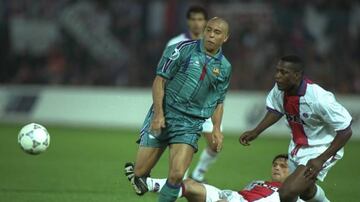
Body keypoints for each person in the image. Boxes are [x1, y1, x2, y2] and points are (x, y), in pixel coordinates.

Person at [125, 17, 231, 202]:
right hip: (165, 112)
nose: (211, 35)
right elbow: (160, 80)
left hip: (190, 123)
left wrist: (216, 128)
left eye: (217, 32)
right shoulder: (183, 48)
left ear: (225, 38)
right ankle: (139, 175)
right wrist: (158, 114)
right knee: (140, 173)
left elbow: (218, 100)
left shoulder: (224, 67)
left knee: (176, 175)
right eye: (209, 30)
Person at [239, 55, 353, 202]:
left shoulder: (319, 98)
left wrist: (321, 159)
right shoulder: (281, 88)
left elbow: (346, 130)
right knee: (305, 192)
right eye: (277, 71)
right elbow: (276, 110)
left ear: (297, 75)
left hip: (320, 149)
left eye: (283, 72)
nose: (277, 76)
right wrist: (256, 131)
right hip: (296, 147)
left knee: (287, 192)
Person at [166, 5, 224, 183]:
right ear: (188, 21)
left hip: (205, 104)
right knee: (179, 146)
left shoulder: (213, 42)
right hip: (181, 106)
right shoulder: (175, 43)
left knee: (215, 145)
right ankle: (180, 182)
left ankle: (198, 174)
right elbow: (166, 74)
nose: (197, 23)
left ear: (205, 22)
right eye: (193, 19)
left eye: (200, 19)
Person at [131, 154, 301, 202]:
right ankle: (148, 184)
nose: (277, 167)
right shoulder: (258, 182)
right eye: (275, 164)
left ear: (293, 172)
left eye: (283, 166)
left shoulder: (292, 196)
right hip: (230, 197)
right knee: (189, 184)